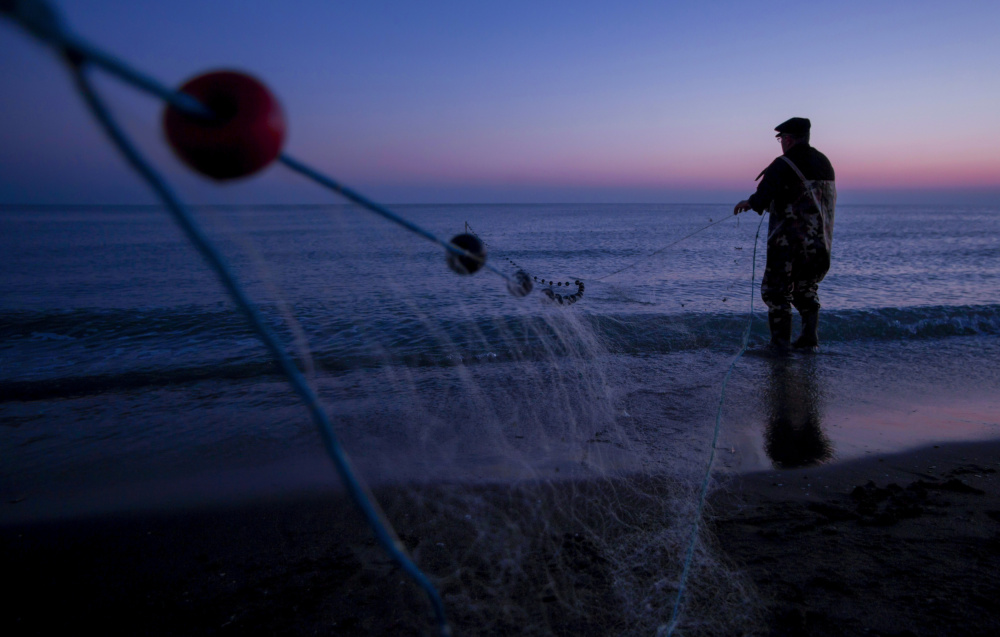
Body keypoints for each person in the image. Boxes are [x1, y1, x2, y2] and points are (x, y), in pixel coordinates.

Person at [734, 117, 836, 351]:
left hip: (788, 243)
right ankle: (809, 341)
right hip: (819, 243)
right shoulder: (825, 163)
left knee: (776, 292)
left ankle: (780, 344)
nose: (781, 143)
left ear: (788, 139)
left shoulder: (783, 163)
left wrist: (747, 203)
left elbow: (762, 198)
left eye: (781, 138)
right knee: (806, 289)